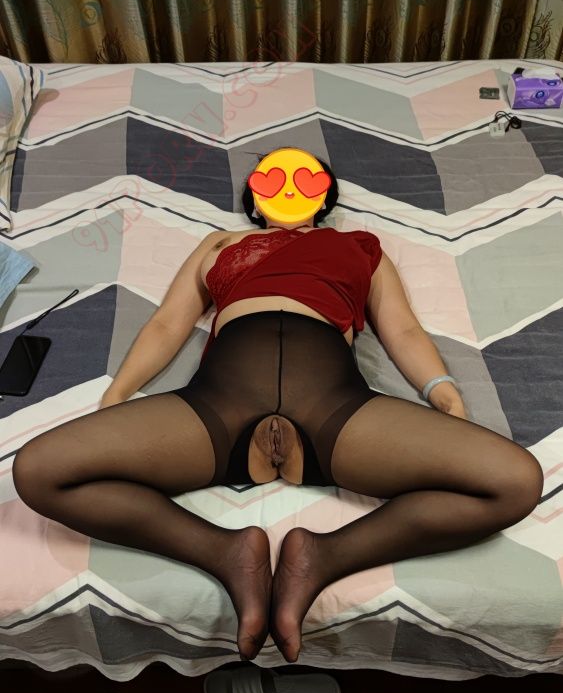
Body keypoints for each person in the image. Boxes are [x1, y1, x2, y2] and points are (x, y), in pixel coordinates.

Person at [12, 149, 544, 665]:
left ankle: (323, 556)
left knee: (515, 481)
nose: (289, 187)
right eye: (271, 178)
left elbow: (402, 329)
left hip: (335, 408)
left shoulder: (362, 248)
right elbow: (168, 323)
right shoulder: (220, 243)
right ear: (254, 199)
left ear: (325, 197)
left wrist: (443, 391)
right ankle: (222, 551)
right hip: (216, 407)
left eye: (306, 178)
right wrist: (117, 395)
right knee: (38, 471)